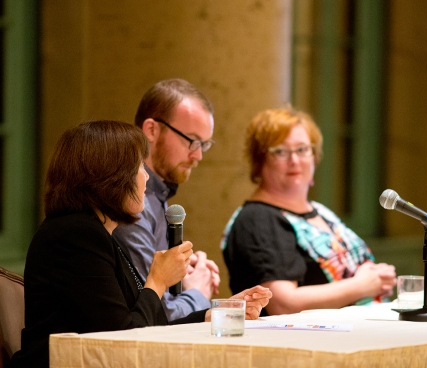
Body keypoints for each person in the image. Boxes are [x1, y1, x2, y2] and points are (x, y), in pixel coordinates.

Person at [10, 121, 271, 367]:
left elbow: (142, 324)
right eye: (139, 167)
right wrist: (158, 280)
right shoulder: (76, 235)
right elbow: (122, 340)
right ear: (111, 176)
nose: (145, 179)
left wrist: (218, 312)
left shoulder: (98, 234)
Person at [221, 107, 396, 315]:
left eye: (302, 149)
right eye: (280, 151)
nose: (294, 160)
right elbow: (282, 304)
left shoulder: (320, 210)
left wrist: (379, 277)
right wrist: (362, 286)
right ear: (260, 161)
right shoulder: (258, 219)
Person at [113, 79, 220, 320]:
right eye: (191, 140)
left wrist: (185, 271)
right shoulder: (129, 200)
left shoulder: (159, 195)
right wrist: (198, 292)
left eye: (204, 144)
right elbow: (154, 313)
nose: (198, 155)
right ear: (151, 130)